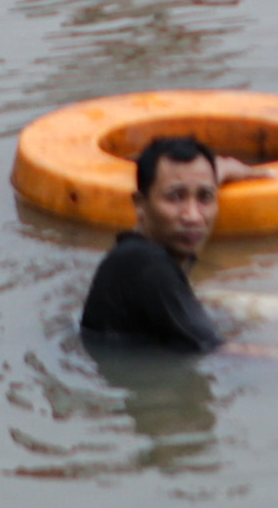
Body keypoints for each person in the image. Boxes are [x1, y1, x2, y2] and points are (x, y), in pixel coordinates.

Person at [80, 134, 237, 352]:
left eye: (205, 196)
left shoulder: (133, 253)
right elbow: (219, 351)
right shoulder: (149, 265)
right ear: (140, 204)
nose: (193, 216)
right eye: (175, 197)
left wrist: (222, 170)